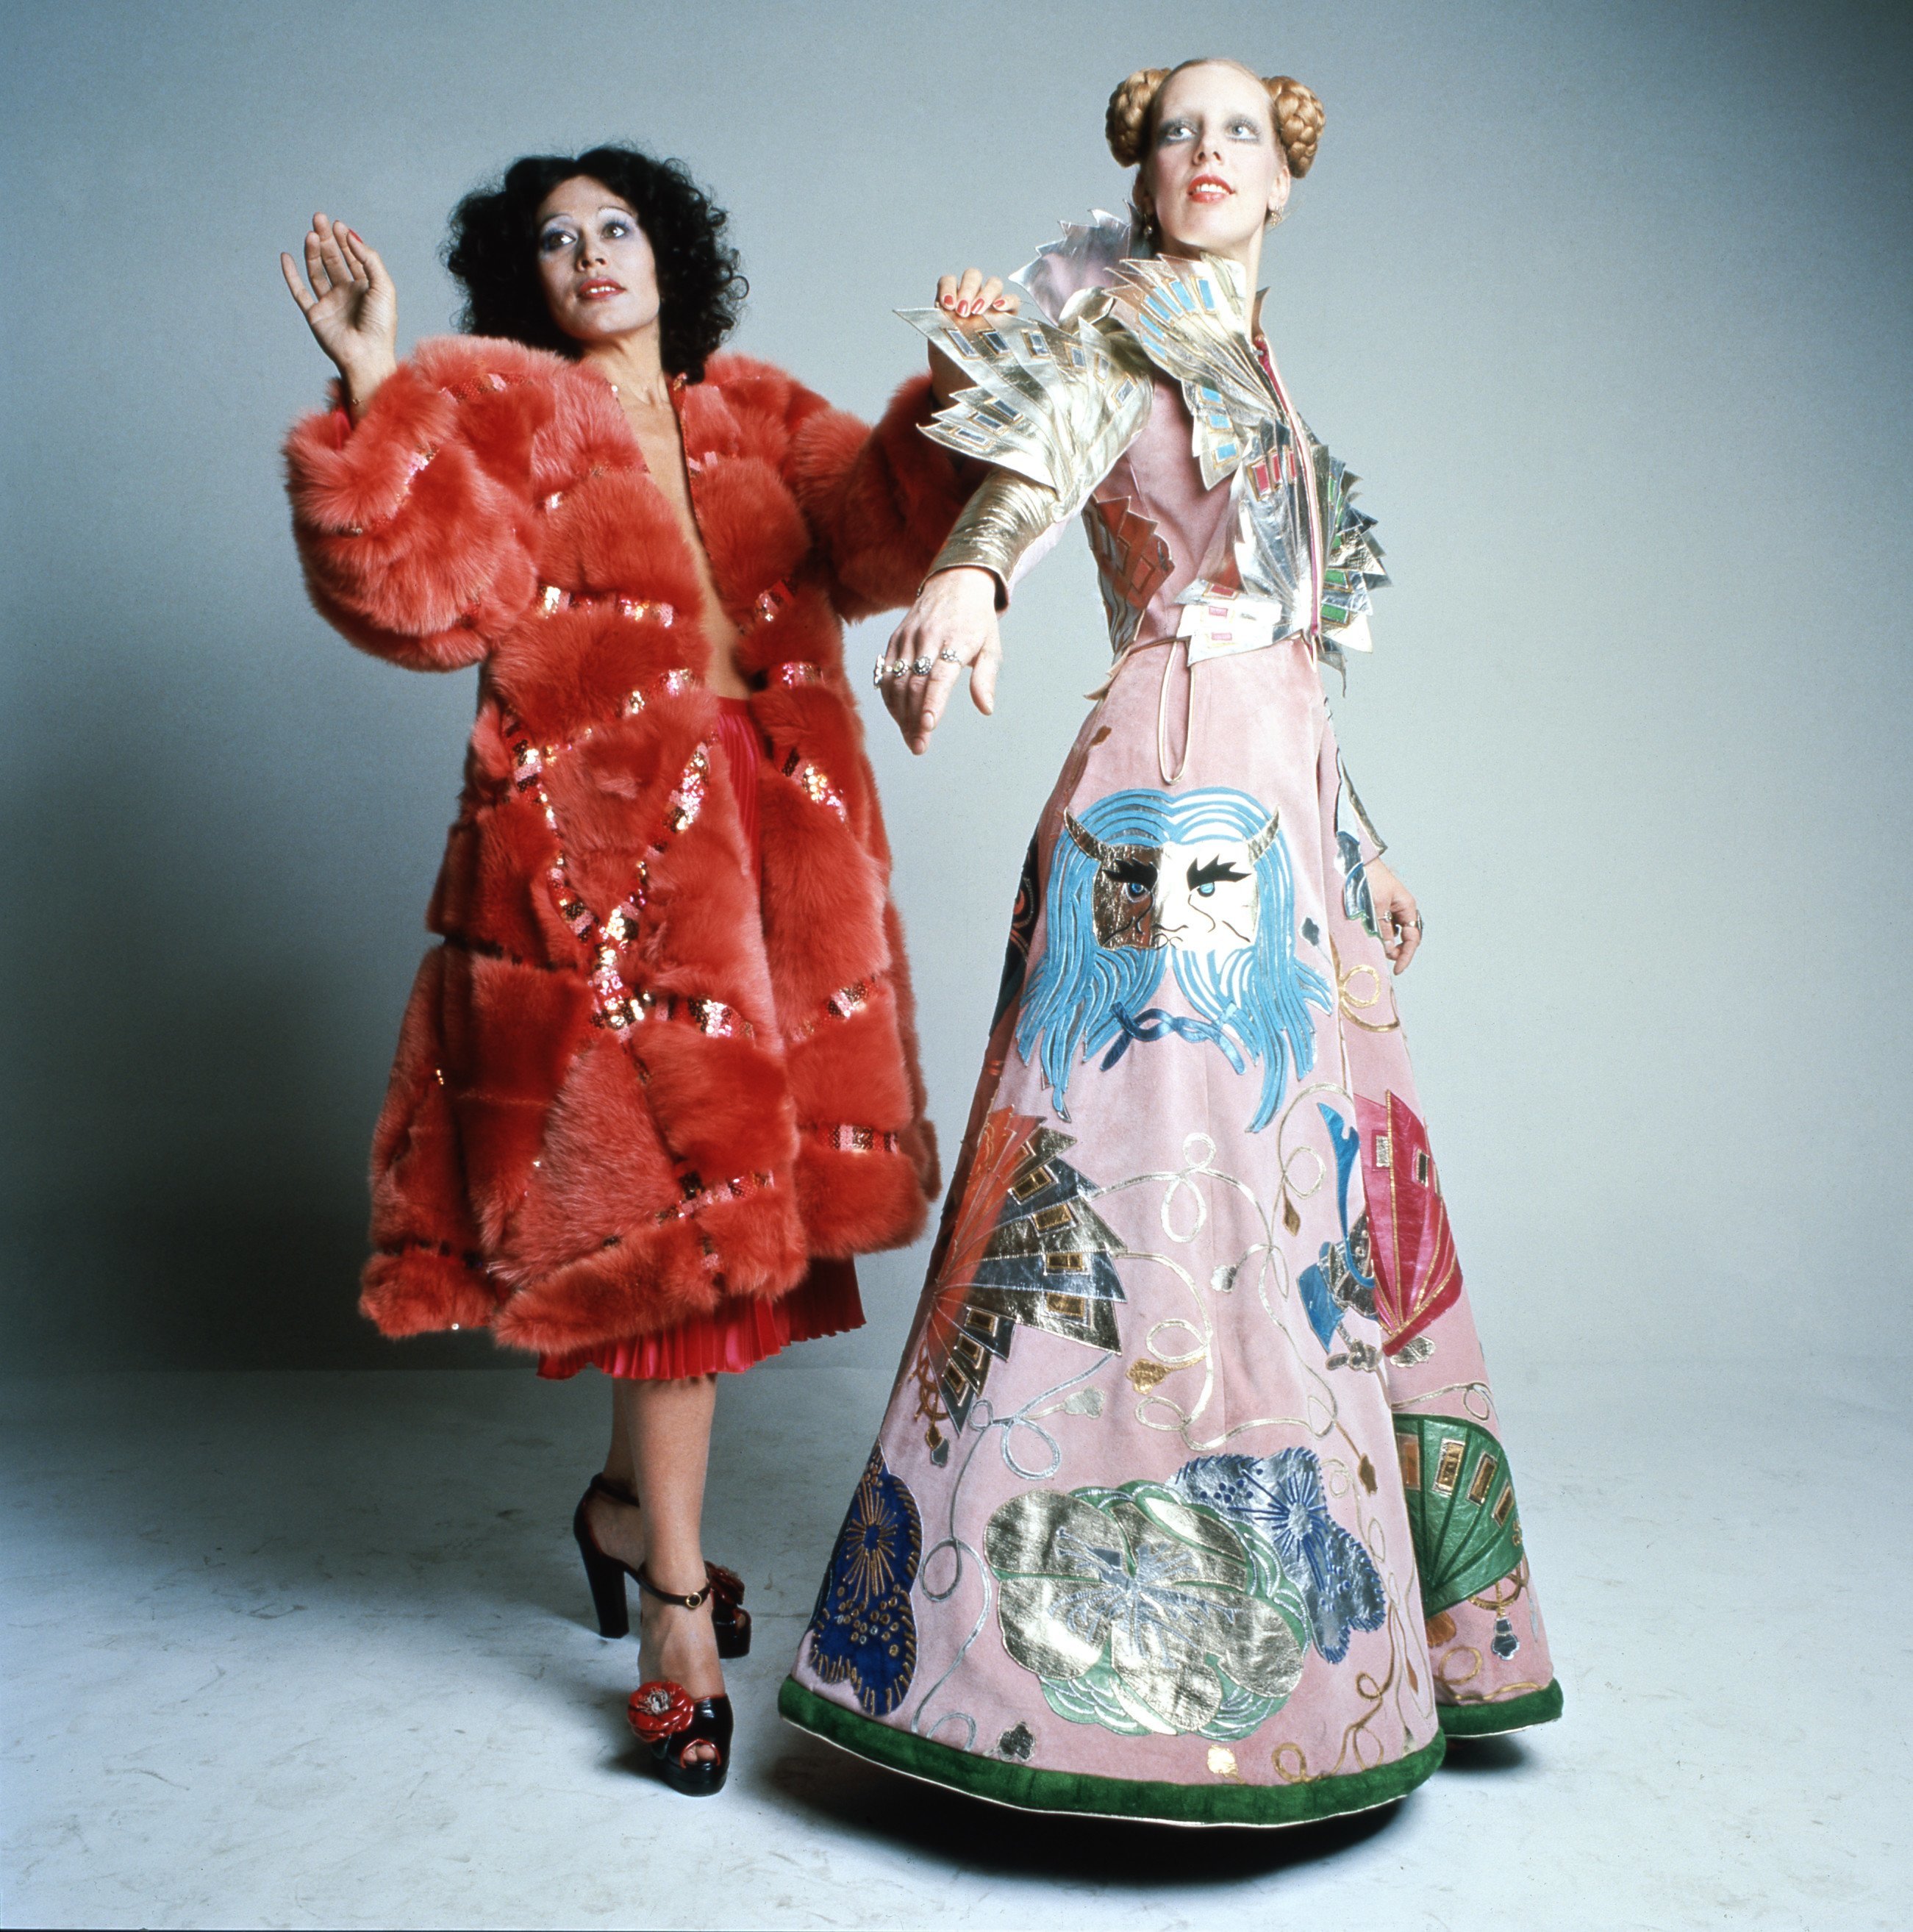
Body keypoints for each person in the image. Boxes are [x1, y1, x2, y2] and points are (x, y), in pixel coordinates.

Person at [780, 60, 1562, 1825]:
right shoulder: (1113, 325)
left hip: (1281, 813)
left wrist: (1359, 841)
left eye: (1238, 134)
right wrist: (972, 578)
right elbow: (1042, 459)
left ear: (1283, 180)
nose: (1203, 154)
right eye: (1173, 132)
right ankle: (1061, 1683)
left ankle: (1315, 1650)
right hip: (1174, 807)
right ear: (1138, 173)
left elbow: (1293, 643)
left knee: (1293, 1206)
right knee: (1140, 1189)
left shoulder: (1259, 366)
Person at [280, 146, 1010, 1796]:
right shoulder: (498, 413)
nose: (592, 255)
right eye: (556, 240)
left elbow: (886, 534)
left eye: (616, 227)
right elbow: (422, 598)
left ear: (669, 251)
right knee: (676, 1244)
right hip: (600, 878)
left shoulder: (758, 412)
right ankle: (674, 1602)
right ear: (524, 281)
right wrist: (378, 376)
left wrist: (958, 382)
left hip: (778, 875)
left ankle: (624, 1514)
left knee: (712, 1239)